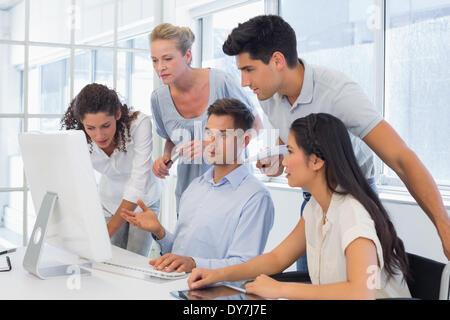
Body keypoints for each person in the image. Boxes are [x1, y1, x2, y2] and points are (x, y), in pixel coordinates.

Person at [221, 14, 450, 260]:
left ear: (277, 60)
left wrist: (443, 227)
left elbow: (401, 159)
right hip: (313, 196)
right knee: (313, 278)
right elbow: (288, 137)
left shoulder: (338, 93)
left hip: (353, 193)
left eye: (249, 70)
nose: (244, 82)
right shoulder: (267, 94)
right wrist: (279, 159)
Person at [188, 113, 412, 300]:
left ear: (316, 161)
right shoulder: (316, 207)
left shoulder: (353, 213)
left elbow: (361, 293)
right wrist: (216, 275)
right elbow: (276, 259)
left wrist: (280, 289)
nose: (283, 161)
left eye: (291, 152)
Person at [121, 98, 274, 273]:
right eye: (209, 133)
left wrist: (193, 264)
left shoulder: (255, 197)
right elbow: (180, 254)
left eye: (223, 135)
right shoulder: (196, 186)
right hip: (177, 284)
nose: (211, 143)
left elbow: (245, 266)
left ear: (245, 141)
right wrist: (159, 231)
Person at [149, 23, 262, 214]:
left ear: (188, 56)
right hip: (189, 194)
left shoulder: (221, 82)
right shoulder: (158, 99)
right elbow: (171, 137)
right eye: (154, 60)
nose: (160, 67)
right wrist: (167, 158)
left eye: (167, 59)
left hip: (232, 191)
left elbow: (256, 127)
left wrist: (211, 145)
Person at [61, 83, 162, 256]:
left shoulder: (139, 124)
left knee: (135, 260)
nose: (99, 136)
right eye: (90, 128)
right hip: (109, 201)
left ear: (117, 114)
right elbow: (79, 183)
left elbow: (138, 182)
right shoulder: (78, 138)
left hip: (143, 200)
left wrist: (105, 233)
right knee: (111, 258)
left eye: (106, 125)